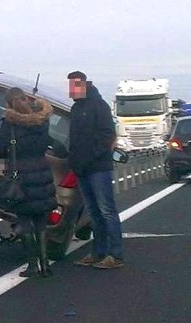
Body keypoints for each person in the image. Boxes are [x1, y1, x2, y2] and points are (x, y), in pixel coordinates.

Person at [0, 87, 57, 277]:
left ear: (9, 104)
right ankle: (45, 264)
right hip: (42, 173)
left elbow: (0, 149)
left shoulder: (9, 124)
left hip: (20, 176)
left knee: (24, 221)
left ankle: (32, 265)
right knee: (40, 220)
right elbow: (52, 144)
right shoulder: (43, 121)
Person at [67, 71, 125, 269]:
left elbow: (107, 134)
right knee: (93, 213)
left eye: (73, 86)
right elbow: (74, 139)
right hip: (82, 169)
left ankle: (115, 254)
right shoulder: (76, 109)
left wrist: (92, 156)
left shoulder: (99, 106)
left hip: (98, 168)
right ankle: (98, 251)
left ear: (83, 85)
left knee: (106, 210)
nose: (70, 91)